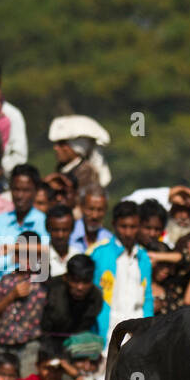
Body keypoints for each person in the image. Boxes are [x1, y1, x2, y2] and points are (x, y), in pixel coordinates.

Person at [92, 200, 154, 352]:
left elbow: (147, 298)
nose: (128, 232)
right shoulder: (100, 253)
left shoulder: (143, 257)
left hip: (137, 335)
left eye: (133, 227)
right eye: (123, 226)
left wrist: (147, 329)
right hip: (106, 334)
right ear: (114, 224)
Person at [0, 232, 49, 374]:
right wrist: (11, 296)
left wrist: (11, 247)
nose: (27, 259)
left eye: (31, 254)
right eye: (22, 254)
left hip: (29, 345)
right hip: (4, 345)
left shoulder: (43, 279)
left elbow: (47, 250)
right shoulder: (6, 280)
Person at [0, 164, 48, 284]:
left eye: (26, 190)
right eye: (16, 189)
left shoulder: (45, 223)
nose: (20, 196)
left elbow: (45, 259)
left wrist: (9, 253)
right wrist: (12, 259)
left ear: (36, 191)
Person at [41, 253, 103, 340]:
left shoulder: (96, 297)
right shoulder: (50, 290)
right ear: (65, 277)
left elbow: (85, 326)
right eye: (75, 281)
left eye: (85, 281)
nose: (80, 287)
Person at [48, 115, 111, 191]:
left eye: (62, 144)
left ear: (77, 147)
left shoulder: (87, 173)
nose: (56, 148)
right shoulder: (63, 168)